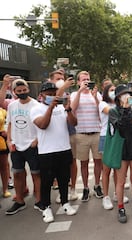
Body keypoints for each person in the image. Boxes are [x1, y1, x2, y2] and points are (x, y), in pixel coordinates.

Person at [30, 82, 77, 223]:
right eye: (48, 94)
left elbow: (74, 123)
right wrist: (50, 107)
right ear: (41, 95)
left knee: (64, 179)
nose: (51, 96)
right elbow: (43, 125)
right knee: (46, 182)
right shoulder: (36, 109)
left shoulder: (62, 107)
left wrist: (68, 110)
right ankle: (46, 207)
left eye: (53, 93)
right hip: (47, 152)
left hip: (64, 149)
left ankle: (65, 203)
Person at [109, 84, 132, 223]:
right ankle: (121, 208)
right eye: (124, 94)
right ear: (118, 97)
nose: (127, 97)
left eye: (129, 94)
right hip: (121, 149)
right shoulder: (114, 112)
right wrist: (124, 110)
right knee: (121, 180)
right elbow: (120, 127)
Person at [5, 79, 42, 215]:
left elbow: (41, 125)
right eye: (19, 91)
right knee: (17, 173)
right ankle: (19, 201)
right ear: (14, 92)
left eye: (24, 90)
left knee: (36, 174)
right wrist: (9, 140)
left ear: (28, 89)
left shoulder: (36, 105)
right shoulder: (12, 106)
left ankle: (39, 200)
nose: (22, 92)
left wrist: (37, 140)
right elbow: (9, 124)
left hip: (32, 144)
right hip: (16, 145)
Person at [70, 71, 103, 201]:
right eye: (83, 80)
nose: (86, 82)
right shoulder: (74, 94)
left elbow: (101, 110)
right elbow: (72, 108)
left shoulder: (96, 94)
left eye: (88, 79)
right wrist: (79, 92)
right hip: (81, 134)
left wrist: (95, 96)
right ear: (78, 82)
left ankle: (97, 185)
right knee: (83, 163)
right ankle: (85, 187)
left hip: (96, 132)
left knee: (98, 162)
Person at [48, 70, 78, 202]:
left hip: (69, 132)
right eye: (58, 78)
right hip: (54, 135)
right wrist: (63, 87)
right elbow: (52, 103)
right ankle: (62, 190)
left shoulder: (67, 94)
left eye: (62, 78)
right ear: (51, 81)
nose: (61, 80)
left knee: (72, 161)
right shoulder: (46, 95)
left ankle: (73, 189)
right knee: (58, 165)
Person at [98, 83, 117, 210]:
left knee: (118, 168)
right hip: (106, 137)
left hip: (117, 137)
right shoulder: (102, 104)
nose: (114, 92)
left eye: (115, 90)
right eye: (111, 90)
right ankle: (106, 196)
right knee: (106, 169)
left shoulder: (118, 104)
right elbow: (110, 112)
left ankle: (117, 193)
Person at [0, 107, 11, 198]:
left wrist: (7, 133)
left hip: (2, 142)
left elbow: (9, 124)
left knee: (4, 166)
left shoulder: (3, 111)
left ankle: (5, 189)